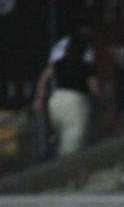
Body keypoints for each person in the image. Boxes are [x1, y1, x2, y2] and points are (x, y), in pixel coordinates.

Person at [33, 22, 98, 157]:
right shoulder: (85, 66)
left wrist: (39, 97)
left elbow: (43, 78)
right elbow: (94, 87)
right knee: (71, 142)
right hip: (76, 101)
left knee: (60, 135)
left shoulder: (59, 63)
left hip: (56, 100)